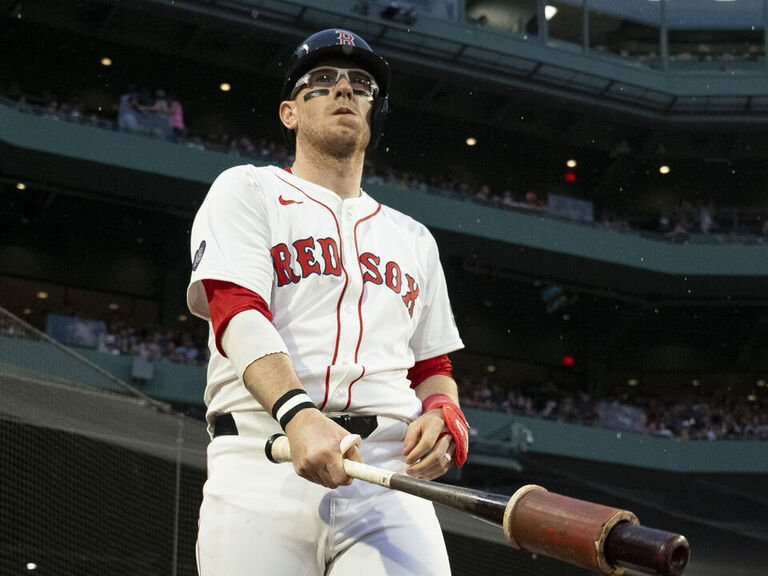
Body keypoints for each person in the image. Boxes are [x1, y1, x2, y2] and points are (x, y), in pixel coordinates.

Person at [186, 28, 469, 575]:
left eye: (361, 84)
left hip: (385, 475)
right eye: (322, 81)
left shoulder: (413, 238)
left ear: (372, 113)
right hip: (262, 459)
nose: (344, 88)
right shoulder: (248, 189)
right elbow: (235, 311)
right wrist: (298, 414)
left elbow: (432, 366)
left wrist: (444, 412)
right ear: (289, 112)